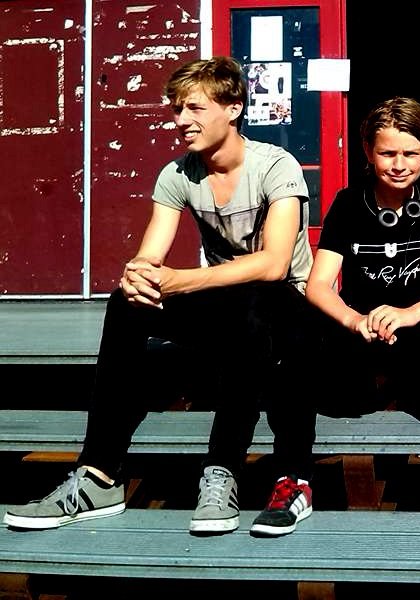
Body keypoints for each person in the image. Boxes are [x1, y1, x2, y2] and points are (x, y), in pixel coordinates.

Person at [3, 56, 319, 538]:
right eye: (176, 109)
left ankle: (222, 472)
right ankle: (99, 475)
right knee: (124, 304)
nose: (181, 121)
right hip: (227, 301)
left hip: (286, 306)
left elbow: (274, 264)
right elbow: (151, 255)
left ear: (233, 108)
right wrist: (138, 276)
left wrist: (179, 280)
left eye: (194, 108)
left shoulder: (276, 166)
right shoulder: (178, 174)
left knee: (255, 303)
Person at [303, 96, 420, 536]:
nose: (399, 164)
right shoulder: (349, 204)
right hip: (362, 334)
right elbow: (318, 284)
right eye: (388, 153)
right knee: (302, 325)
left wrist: (409, 314)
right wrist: (353, 319)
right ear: (368, 152)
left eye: (411, 153)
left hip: (418, 330)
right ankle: (293, 474)